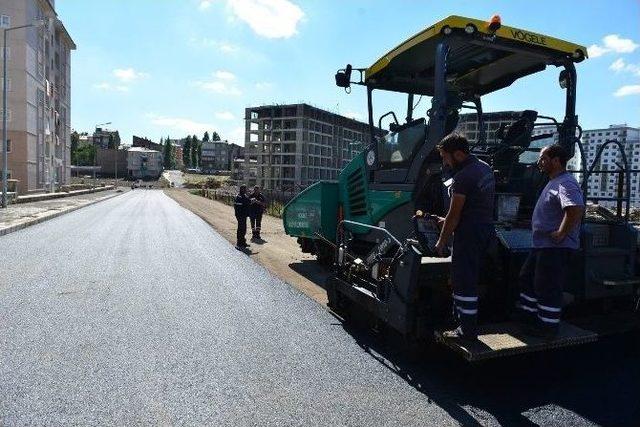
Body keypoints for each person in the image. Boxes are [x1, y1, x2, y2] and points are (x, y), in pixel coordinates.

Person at [418, 132, 495, 340]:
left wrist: (441, 241)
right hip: (483, 229)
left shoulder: (463, 177)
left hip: (468, 234)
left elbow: (453, 215)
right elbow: (477, 204)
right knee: (471, 275)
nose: (444, 161)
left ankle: (466, 330)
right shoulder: (484, 168)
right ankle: (464, 321)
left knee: (463, 280)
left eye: (445, 156)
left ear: (458, 154)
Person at [517, 144, 584, 337]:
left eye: (543, 158)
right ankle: (529, 318)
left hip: (556, 246)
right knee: (527, 278)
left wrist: (562, 232)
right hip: (542, 244)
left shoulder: (565, 183)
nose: (540, 162)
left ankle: (548, 327)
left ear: (556, 161)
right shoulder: (553, 181)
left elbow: (575, 209)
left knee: (547, 285)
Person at [234, 185, 252, 249]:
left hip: (243, 215)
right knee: (241, 229)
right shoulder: (239, 197)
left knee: (243, 229)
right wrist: (252, 200)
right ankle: (239, 243)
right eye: (244, 189)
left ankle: (243, 242)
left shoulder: (242, 196)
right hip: (240, 215)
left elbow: (247, 201)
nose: (246, 190)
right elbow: (247, 201)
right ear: (242, 190)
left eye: (245, 189)